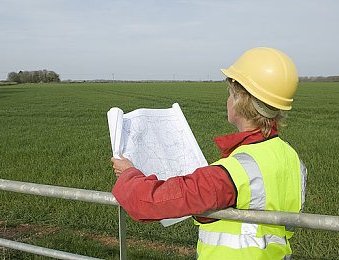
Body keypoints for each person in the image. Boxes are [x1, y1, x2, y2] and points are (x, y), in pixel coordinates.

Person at [111, 47, 307, 260]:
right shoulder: (291, 157)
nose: (228, 101)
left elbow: (150, 202)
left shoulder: (231, 173)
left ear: (241, 102)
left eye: (230, 94)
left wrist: (129, 174)